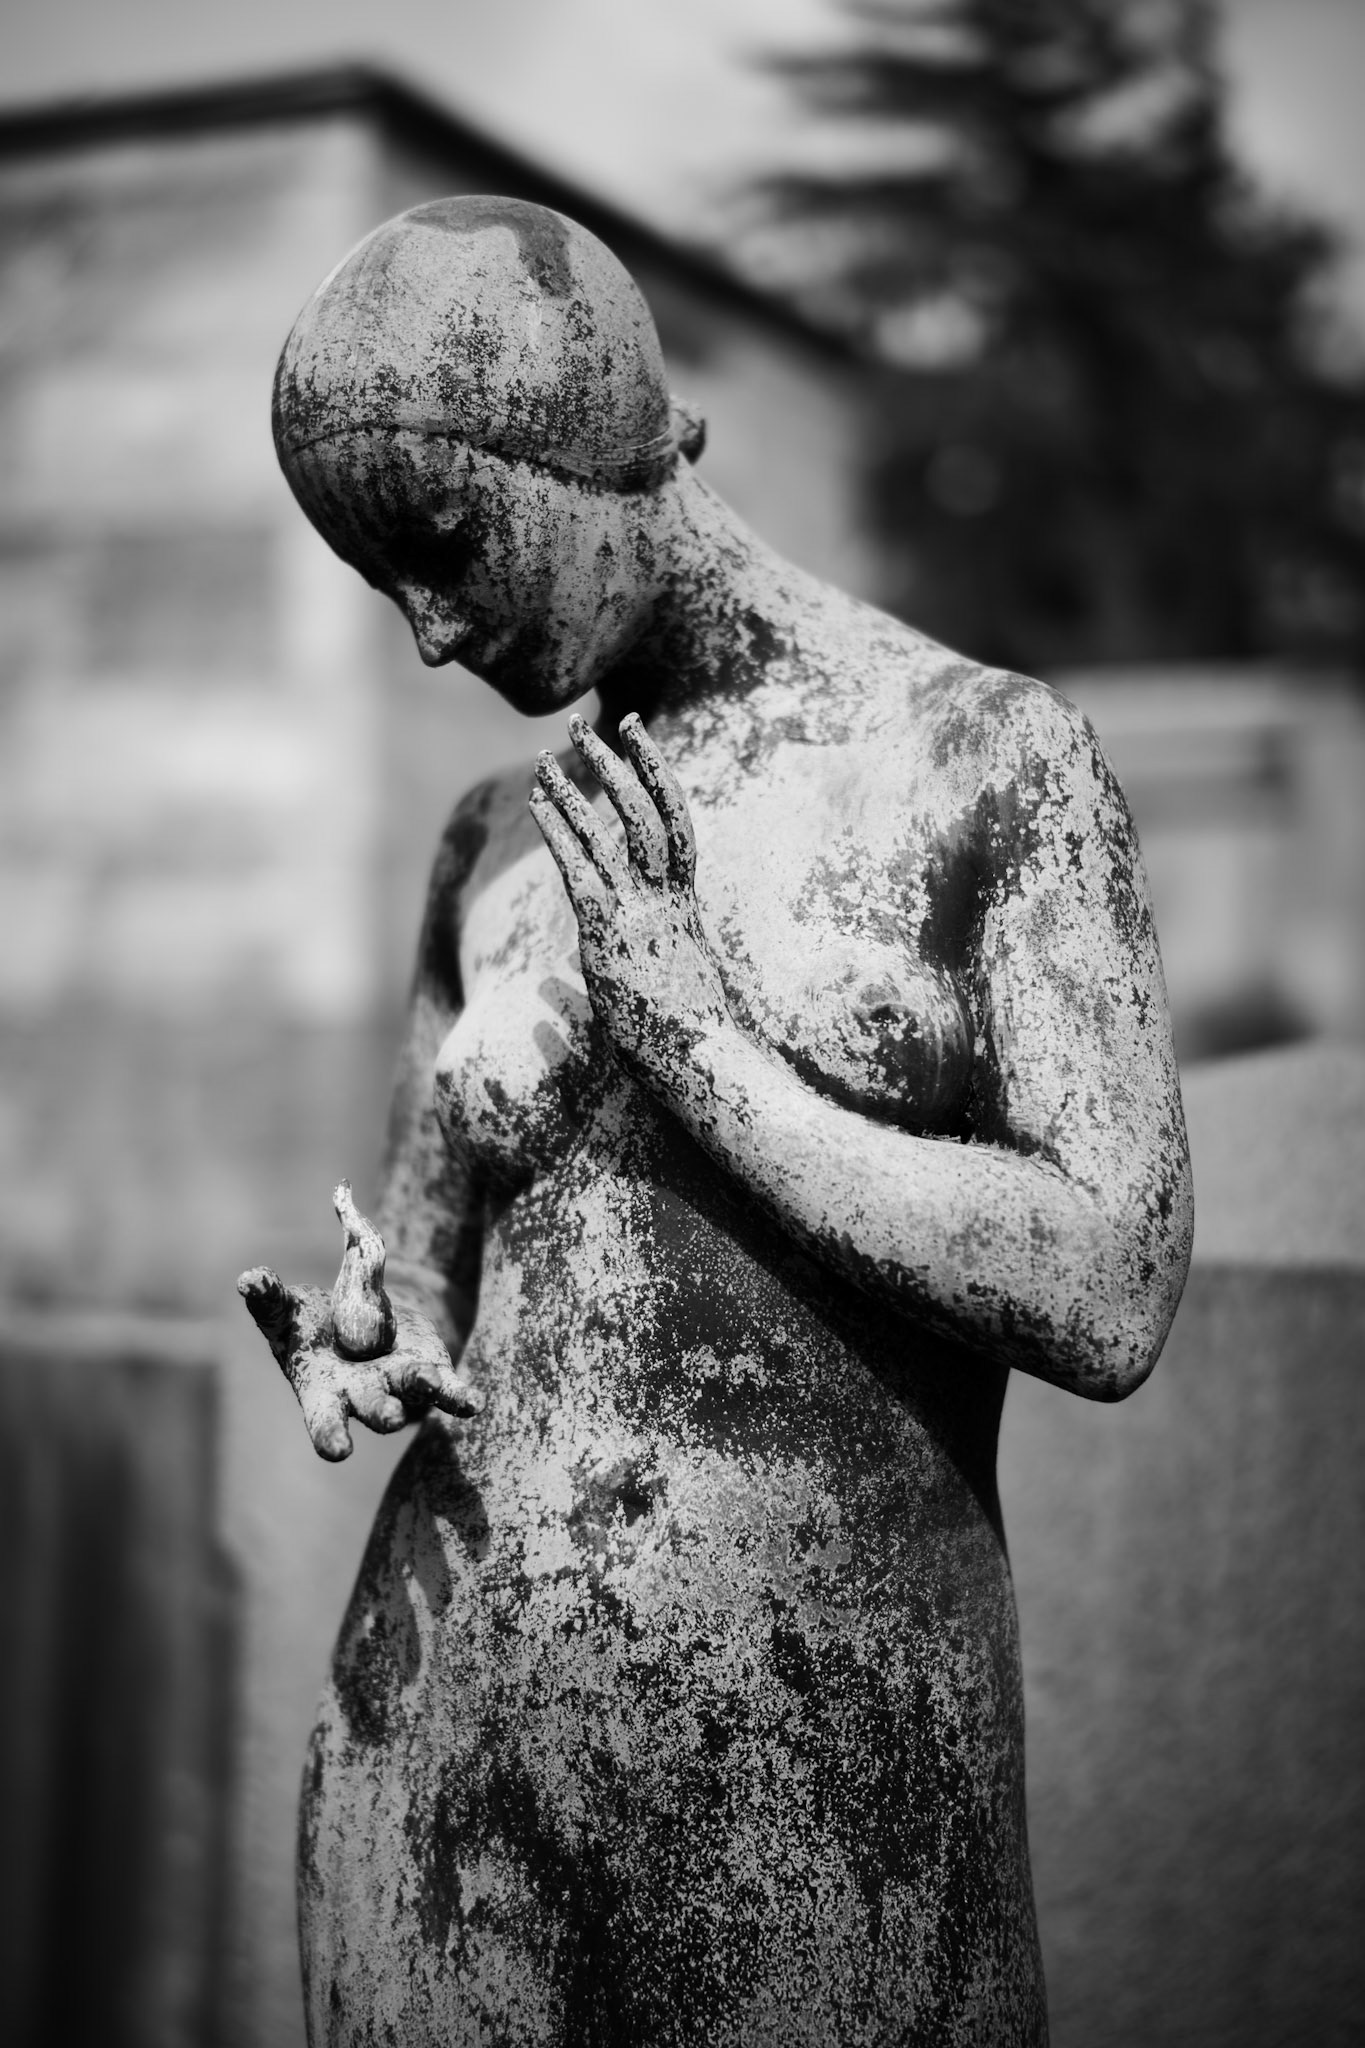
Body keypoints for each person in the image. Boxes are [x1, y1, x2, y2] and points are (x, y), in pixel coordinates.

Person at [243, 195, 1193, 2048]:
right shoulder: (495, 838)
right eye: (382, 587)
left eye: (443, 545)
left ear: (603, 452)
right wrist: (382, 1333)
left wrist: (705, 1051)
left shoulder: (980, 768)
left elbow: (1113, 1282)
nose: (428, 634)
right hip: (434, 1750)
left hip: (808, 1780)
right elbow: (435, 1258)